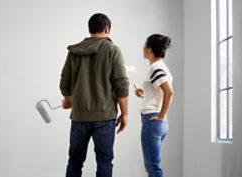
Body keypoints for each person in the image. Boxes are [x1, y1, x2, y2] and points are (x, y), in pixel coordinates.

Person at [60, 13, 129, 177]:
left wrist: (69, 100)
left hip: (79, 117)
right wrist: (125, 114)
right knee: (104, 162)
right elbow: (121, 84)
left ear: (90, 29)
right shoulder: (113, 50)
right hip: (104, 118)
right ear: (107, 29)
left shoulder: (74, 51)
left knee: (75, 161)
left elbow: (65, 81)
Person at [134, 34, 173, 177]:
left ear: (149, 50)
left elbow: (169, 92)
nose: (142, 48)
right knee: (153, 166)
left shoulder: (156, 67)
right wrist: (142, 92)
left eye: (144, 45)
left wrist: (161, 116)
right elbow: (158, 92)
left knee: (153, 168)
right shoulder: (160, 67)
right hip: (157, 122)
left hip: (152, 121)